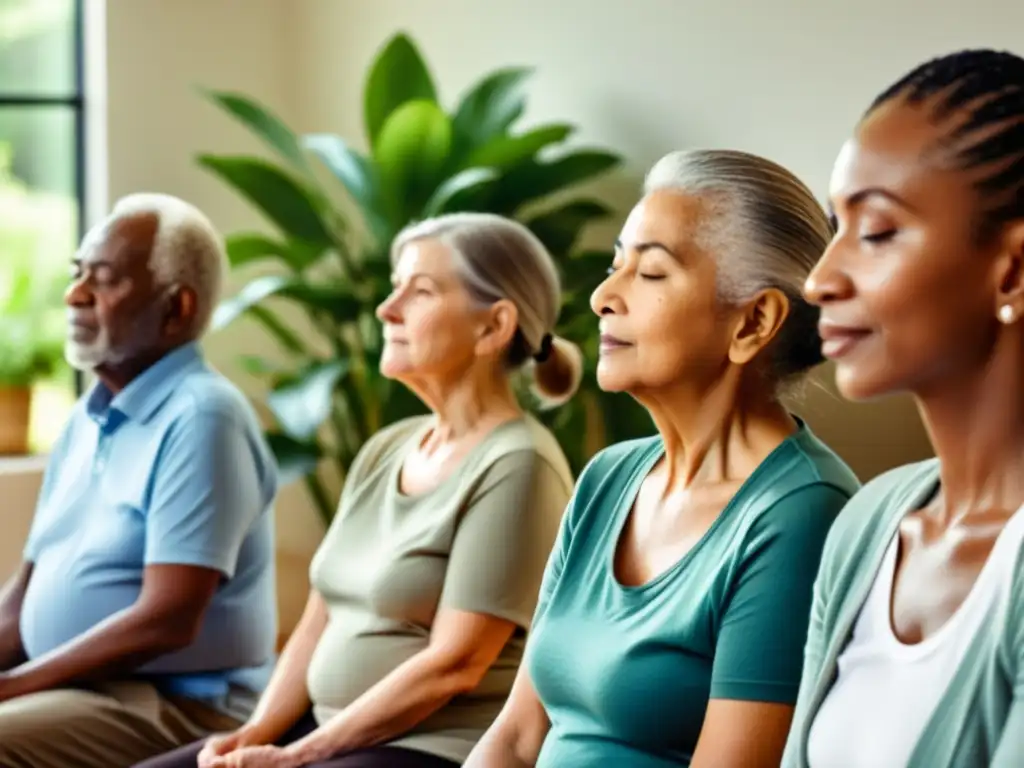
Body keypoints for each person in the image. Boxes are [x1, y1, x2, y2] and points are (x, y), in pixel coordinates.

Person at [465, 149, 861, 768]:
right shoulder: (607, 477)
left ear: (753, 321)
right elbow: (516, 737)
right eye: (614, 265)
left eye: (649, 273)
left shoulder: (801, 514)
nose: (601, 297)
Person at [138, 212, 579, 768]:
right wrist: (255, 735)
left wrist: (300, 756)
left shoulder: (519, 464)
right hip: (328, 736)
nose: (385, 309)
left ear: (493, 327)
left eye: (419, 292)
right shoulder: (386, 448)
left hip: (429, 749)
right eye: (395, 288)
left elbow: (454, 664)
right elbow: (319, 620)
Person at [782, 49, 1024, 768]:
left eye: (878, 232)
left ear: (1012, 270)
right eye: (835, 227)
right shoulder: (868, 522)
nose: (820, 278)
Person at [0, 193, 279, 767]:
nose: (75, 294)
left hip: (178, 704)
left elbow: (167, 620)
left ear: (175, 309)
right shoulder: (86, 419)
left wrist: (14, 687)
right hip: (85, 693)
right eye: (77, 273)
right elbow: (20, 601)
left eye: (103, 281)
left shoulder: (203, 416)